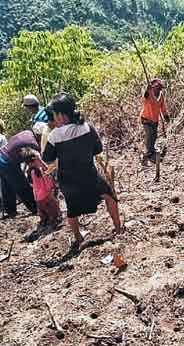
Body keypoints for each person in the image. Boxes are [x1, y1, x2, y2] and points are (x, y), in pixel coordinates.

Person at [43, 93, 122, 250]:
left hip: (67, 179)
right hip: (89, 174)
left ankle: (78, 237)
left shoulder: (54, 136)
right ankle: (118, 227)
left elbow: (47, 158)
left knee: (72, 210)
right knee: (110, 196)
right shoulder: (86, 127)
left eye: (54, 114)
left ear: (60, 115)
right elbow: (97, 149)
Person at [0, 129, 40, 218]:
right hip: (7, 161)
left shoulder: (27, 132)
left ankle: (10, 210)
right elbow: (32, 161)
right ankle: (35, 208)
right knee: (22, 186)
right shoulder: (33, 144)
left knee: (7, 186)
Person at [20, 147, 61, 228]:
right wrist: (51, 188)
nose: (39, 160)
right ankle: (55, 219)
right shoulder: (38, 171)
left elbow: (34, 184)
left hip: (38, 195)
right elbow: (46, 181)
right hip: (46, 193)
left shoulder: (31, 171)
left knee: (42, 209)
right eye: (38, 159)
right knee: (53, 206)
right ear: (33, 161)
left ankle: (45, 220)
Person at [139, 78, 170, 163]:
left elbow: (163, 107)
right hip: (146, 119)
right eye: (157, 87)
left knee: (154, 135)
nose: (158, 89)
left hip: (155, 120)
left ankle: (151, 150)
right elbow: (143, 99)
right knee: (149, 135)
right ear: (153, 87)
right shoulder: (148, 93)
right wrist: (147, 90)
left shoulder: (161, 95)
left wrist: (166, 116)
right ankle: (149, 153)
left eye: (160, 88)